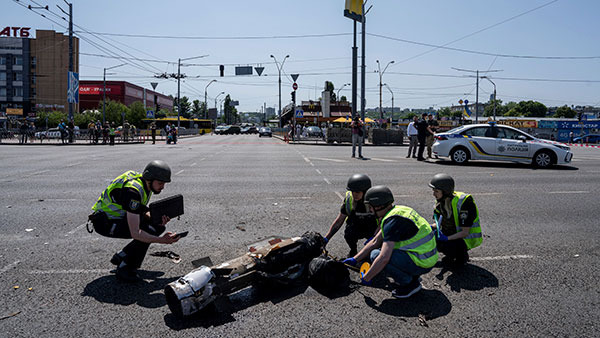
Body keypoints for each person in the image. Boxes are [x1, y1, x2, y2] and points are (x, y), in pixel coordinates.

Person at [89, 160, 181, 282]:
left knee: (157, 226)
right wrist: (162, 240)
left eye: (164, 183)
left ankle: (122, 256)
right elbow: (136, 233)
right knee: (150, 231)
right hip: (105, 223)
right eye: (160, 183)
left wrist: (158, 219)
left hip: (116, 218)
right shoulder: (133, 192)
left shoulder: (142, 182)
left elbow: (139, 210)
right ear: (150, 179)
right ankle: (125, 268)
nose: (163, 187)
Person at [344, 185, 437, 298]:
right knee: (377, 252)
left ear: (380, 206)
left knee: (376, 255)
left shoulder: (392, 222)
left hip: (422, 261)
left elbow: (384, 258)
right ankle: (412, 275)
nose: (371, 210)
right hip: (426, 257)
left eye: (372, 207)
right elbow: (375, 241)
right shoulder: (397, 212)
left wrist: (367, 277)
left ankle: (409, 284)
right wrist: (355, 259)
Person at [429, 173, 482, 268]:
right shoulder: (440, 202)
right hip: (452, 233)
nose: (433, 194)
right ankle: (451, 253)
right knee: (430, 238)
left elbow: (465, 232)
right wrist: (427, 228)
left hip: (465, 238)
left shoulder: (464, 203)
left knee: (448, 245)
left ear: (445, 191)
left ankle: (461, 257)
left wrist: (446, 239)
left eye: (436, 191)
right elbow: (437, 222)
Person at [324, 174, 378, 257]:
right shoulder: (349, 200)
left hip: (372, 229)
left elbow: (383, 222)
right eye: (352, 191)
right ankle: (353, 250)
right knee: (349, 233)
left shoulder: (375, 201)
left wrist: (375, 238)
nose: (354, 194)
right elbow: (339, 221)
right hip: (356, 227)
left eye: (357, 192)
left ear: (365, 191)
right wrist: (326, 239)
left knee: (373, 254)